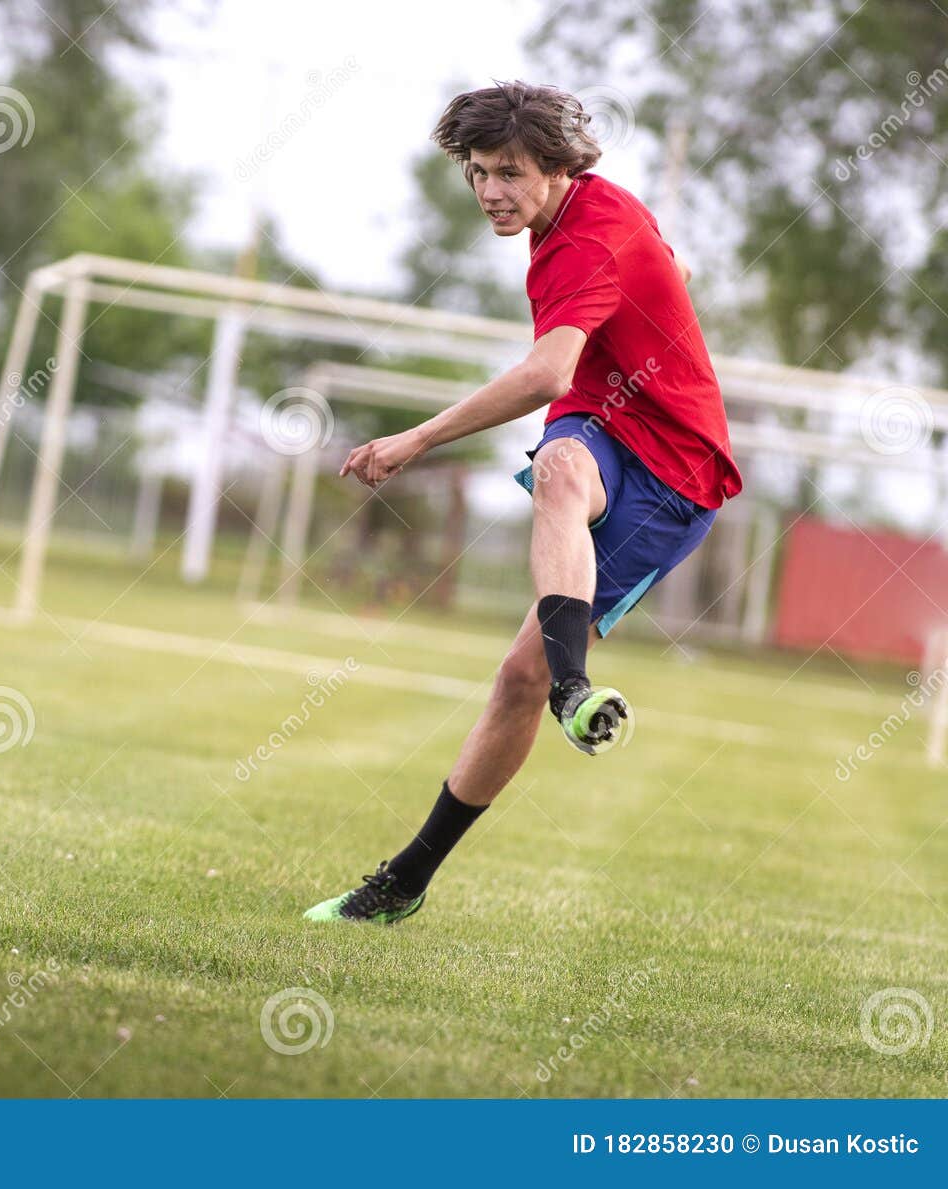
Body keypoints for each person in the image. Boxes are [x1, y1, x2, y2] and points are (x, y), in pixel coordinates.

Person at [306, 81, 741, 926]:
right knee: (558, 468)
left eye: (509, 172)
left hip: (674, 472)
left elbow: (545, 374)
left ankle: (561, 689)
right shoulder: (590, 214)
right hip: (604, 421)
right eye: (477, 173)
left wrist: (415, 440)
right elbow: (670, 264)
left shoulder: (585, 242)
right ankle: (407, 881)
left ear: (555, 167)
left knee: (516, 677)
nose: (491, 191)